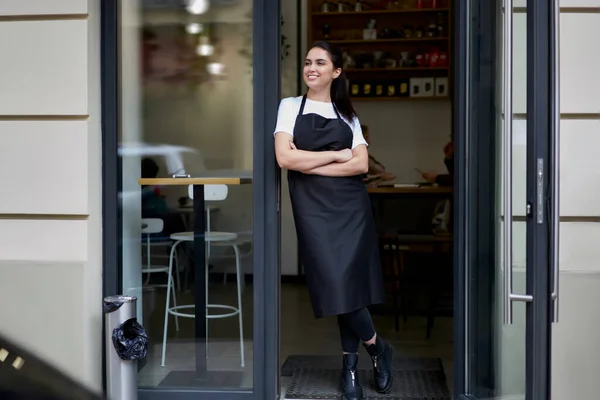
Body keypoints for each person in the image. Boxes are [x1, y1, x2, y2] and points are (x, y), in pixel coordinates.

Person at [273, 41, 393, 400]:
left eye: (320, 63)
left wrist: (311, 160)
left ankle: (350, 370)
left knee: (349, 288)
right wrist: (337, 154)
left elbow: (360, 165)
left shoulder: (348, 115)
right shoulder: (290, 107)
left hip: (350, 209)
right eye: (308, 62)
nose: (311, 68)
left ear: (335, 72)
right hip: (312, 211)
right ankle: (378, 348)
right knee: (335, 282)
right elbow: (283, 159)